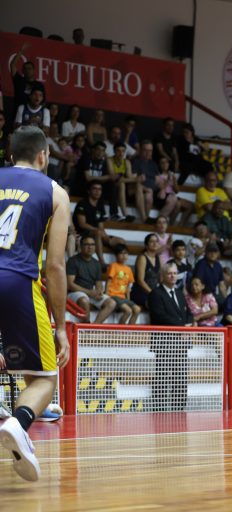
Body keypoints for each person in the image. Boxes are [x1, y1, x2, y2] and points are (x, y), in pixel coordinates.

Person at [0, 126, 70, 481]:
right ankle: (18, 423)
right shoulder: (55, 192)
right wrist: (62, 328)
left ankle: (19, 435)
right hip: (17, 280)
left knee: (30, 374)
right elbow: (54, 266)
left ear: (10, 155)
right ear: (44, 155)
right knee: (45, 379)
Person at [147, 263, 193, 411]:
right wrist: (182, 328)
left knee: (180, 376)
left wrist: (189, 324)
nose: (173, 276)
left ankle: (179, 408)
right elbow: (159, 316)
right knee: (162, 376)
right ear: (162, 276)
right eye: (169, 273)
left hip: (181, 342)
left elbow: (188, 312)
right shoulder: (155, 293)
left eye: (174, 273)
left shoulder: (179, 292)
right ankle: (159, 409)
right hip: (164, 342)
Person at [66, 234, 117, 323]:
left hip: (90, 293)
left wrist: (99, 292)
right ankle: (86, 324)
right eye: (87, 244)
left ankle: (94, 327)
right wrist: (89, 292)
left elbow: (98, 283)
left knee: (112, 303)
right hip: (74, 293)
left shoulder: (96, 263)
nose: (90, 247)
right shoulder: (73, 261)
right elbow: (70, 284)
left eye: (92, 244)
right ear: (81, 246)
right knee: (84, 301)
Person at [105, 244, 142, 324]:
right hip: (113, 295)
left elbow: (128, 287)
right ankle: (120, 329)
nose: (124, 255)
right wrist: (106, 295)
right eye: (121, 253)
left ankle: (130, 329)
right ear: (116, 255)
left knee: (137, 309)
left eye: (125, 253)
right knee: (128, 311)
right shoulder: (113, 266)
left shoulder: (128, 269)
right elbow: (108, 281)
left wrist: (128, 299)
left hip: (123, 297)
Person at [130, 234, 162, 309]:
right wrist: (153, 293)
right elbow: (140, 281)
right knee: (157, 304)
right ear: (146, 245)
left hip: (153, 292)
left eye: (156, 241)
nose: (155, 243)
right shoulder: (142, 258)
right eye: (152, 241)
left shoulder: (159, 258)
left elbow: (161, 279)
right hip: (140, 293)